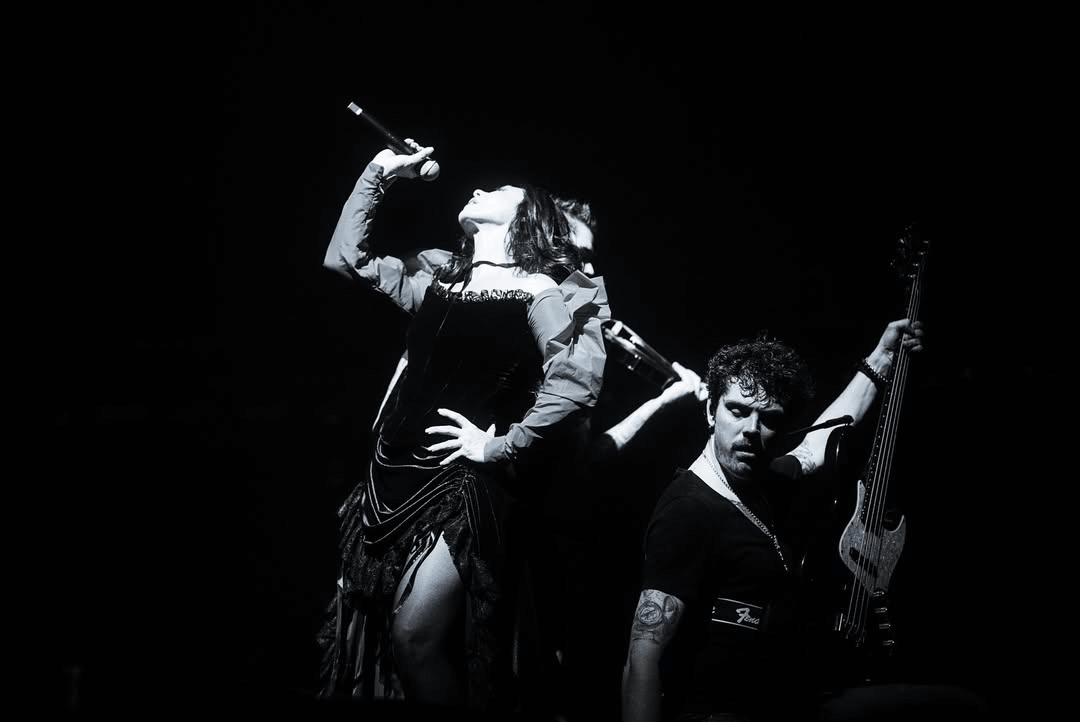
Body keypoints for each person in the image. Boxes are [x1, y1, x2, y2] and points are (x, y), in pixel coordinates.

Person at [315, 137, 610, 716]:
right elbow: (345, 259)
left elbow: (575, 385)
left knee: (415, 637)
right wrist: (379, 172)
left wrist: (501, 445)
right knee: (381, 633)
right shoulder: (438, 279)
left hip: (456, 482)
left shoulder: (539, 291)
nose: (478, 187)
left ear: (525, 217)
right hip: (387, 472)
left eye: (499, 190)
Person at [620, 319, 990, 721]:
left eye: (769, 418)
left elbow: (815, 447)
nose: (751, 430)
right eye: (738, 411)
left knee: (959, 704)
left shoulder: (761, 483)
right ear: (711, 411)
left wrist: (882, 356)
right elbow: (642, 658)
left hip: (788, 698)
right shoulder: (688, 510)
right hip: (722, 712)